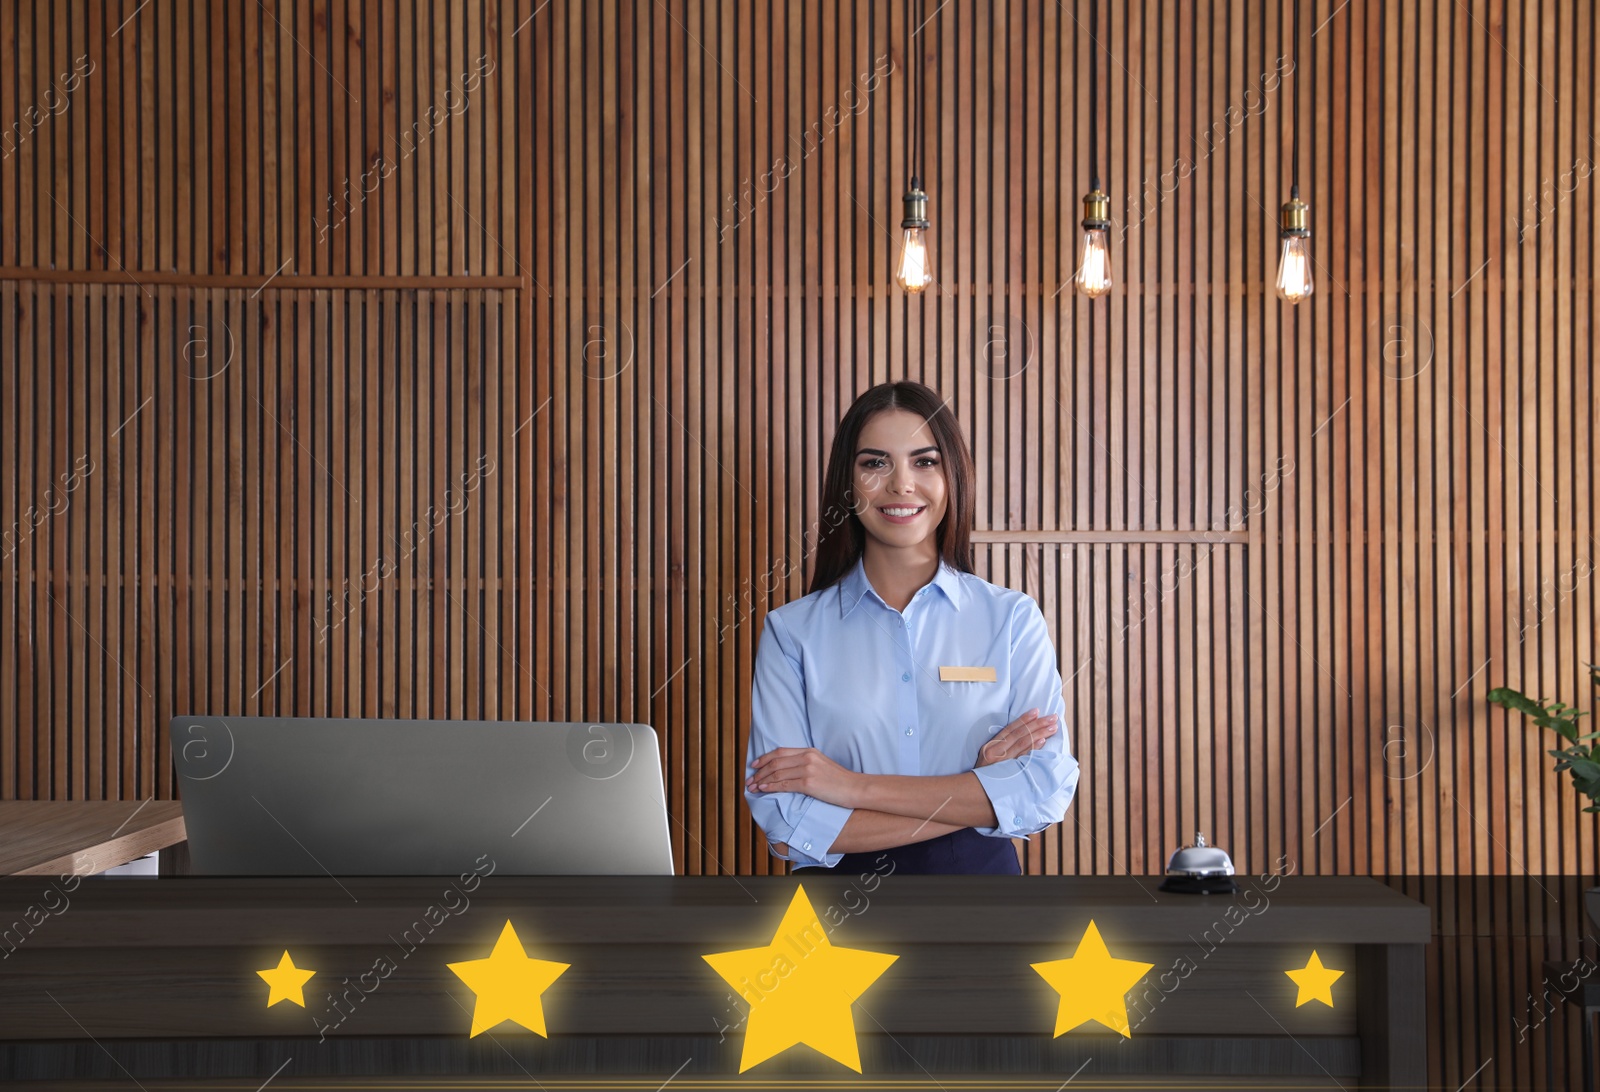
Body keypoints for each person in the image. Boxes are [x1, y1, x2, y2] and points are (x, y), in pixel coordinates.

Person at [743, 380, 1080, 875]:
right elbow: (789, 822)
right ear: (847, 481)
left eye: (925, 461)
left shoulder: (1011, 620)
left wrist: (851, 787)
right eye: (875, 463)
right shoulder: (790, 634)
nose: (901, 484)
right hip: (833, 912)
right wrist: (975, 789)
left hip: (982, 899)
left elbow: (1042, 789)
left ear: (953, 476)